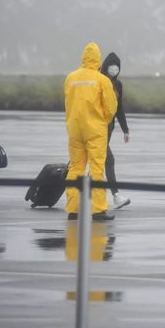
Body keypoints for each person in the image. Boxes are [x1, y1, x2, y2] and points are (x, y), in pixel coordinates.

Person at [64, 42, 118, 221]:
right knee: (96, 168)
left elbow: (67, 103)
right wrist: (102, 121)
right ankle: (98, 210)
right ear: (98, 59)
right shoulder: (102, 80)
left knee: (75, 167)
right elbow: (111, 108)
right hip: (95, 130)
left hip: (74, 128)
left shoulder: (70, 78)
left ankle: (73, 210)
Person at [100, 52, 131, 210]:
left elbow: (119, 108)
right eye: (111, 66)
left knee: (99, 160)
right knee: (108, 160)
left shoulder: (118, 85)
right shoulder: (98, 81)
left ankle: (85, 194)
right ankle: (115, 195)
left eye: (117, 67)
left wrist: (125, 129)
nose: (114, 69)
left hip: (109, 127)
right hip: (97, 127)